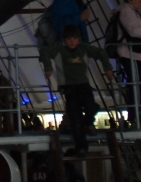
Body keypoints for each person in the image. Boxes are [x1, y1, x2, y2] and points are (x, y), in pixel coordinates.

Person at [40, 24, 115, 153]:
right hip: (68, 87)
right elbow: (44, 51)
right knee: (75, 117)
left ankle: (88, 122)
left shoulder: (84, 48)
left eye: (74, 38)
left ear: (79, 39)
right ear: (64, 40)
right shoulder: (58, 49)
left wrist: (107, 68)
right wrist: (48, 67)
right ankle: (81, 147)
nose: (72, 42)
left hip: (83, 85)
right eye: (69, 39)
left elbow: (101, 52)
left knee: (90, 107)